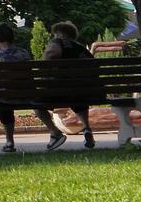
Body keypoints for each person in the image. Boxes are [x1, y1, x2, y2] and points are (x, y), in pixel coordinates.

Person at [35, 21, 96, 150]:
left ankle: (55, 133)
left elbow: (49, 56)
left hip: (59, 93)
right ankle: (86, 128)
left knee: (35, 102)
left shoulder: (58, 43)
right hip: (83, 93)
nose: (54, 36)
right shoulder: (81, 48)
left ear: (61, 34)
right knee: (77, 97)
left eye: (56, 34)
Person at [0, 22, 31, 153]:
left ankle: (9, 141)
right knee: (5, 96)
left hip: (6, 98)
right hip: (26, 94)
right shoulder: (24, 53)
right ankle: (9, 141)